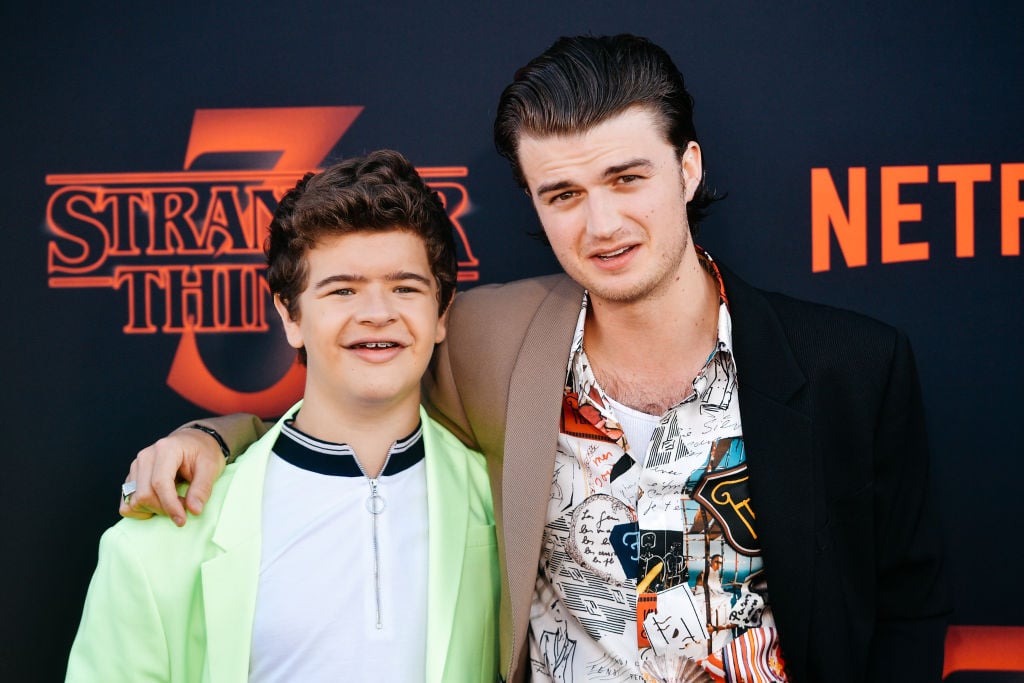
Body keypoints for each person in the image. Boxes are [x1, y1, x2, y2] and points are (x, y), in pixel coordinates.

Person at [118, 35, 949, 682]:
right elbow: (354, 393)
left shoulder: (851, 367)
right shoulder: (487, 338)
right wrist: (216, 436)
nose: (601, 224)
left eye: (626, 178)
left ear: (688, 168)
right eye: (563, 194)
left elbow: (907, 604)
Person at [68, 150, 500, 682]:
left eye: (405, 288)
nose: (377, 313)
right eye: (343, 290)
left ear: (441, 312)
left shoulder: (504, 505)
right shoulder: (159, 544)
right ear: (290, 316)